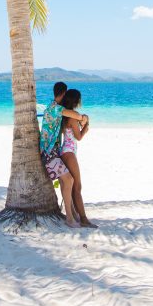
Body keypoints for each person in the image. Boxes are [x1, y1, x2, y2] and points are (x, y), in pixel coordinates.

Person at [39, 81, 89, 228]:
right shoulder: (55, 108)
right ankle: (69, 218)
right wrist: (84, 119)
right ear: (62, 93)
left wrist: (81, 118)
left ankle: (71, 213)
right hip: (49, 153)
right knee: (68, 180)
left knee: (67, 180)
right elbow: (75, 115)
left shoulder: (53, 107)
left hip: (53, 152)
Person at [59, 89, 97, 228]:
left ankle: (77, 215)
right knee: (77, 186)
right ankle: (84, 219)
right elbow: (79, 137)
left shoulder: (66, 115)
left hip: (67, 151)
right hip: (69, 152)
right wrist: (86, 126)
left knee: (75, 185)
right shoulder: (72, 118)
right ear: (77, 101)